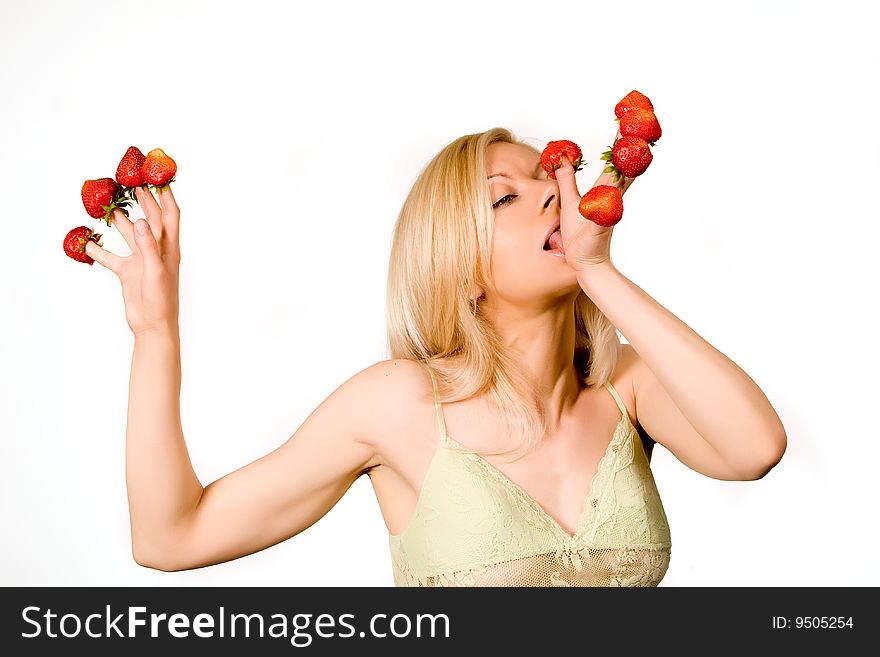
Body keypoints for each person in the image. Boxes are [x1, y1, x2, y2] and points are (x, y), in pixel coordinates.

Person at [85, 126, 787, 587]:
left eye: (550, 179)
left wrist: (600, 273)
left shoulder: (625, 386)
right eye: (507, 196)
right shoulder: (397, 404)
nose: (555, 191)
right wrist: (156, 333)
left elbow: (754, 448)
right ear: (461, 266)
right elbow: (170, 537)